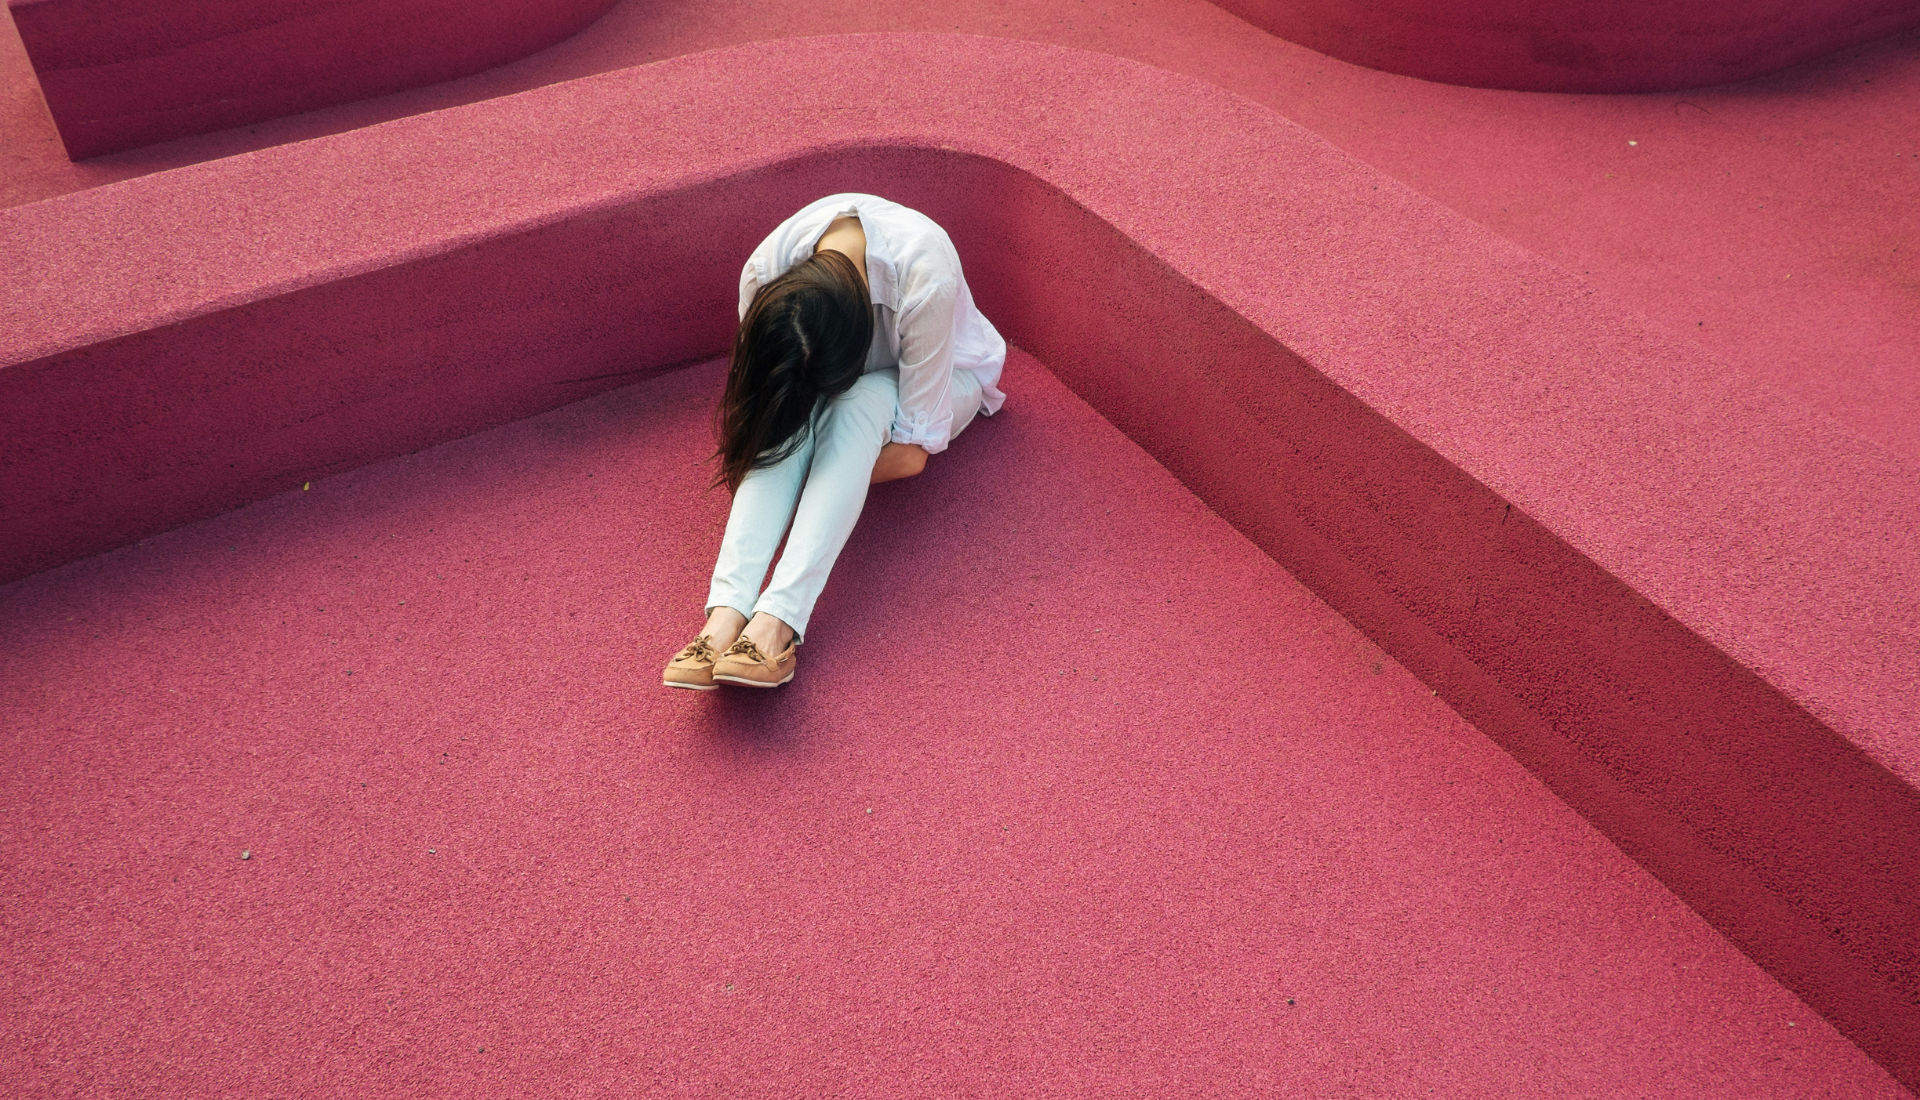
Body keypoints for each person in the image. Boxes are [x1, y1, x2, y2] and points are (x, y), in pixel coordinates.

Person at [663, 194, 1007, 689]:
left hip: (951, 378)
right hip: (851, 380)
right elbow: (764, 407)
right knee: (783, 426)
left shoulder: (924, 273)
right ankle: (724, 618)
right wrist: (789, 447)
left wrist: (812, 473)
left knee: (857, 403)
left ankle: (776, 621)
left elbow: (911, 455)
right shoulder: (766, 274)